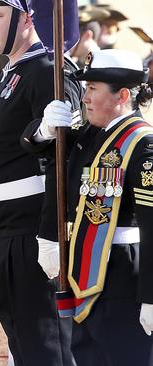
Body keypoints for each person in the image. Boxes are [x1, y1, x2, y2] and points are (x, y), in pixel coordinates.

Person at [0, 1, 81, 365]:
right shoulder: (11, 74)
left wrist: (52, 233)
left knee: (46, 346)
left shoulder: (46, 70)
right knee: (24, 345)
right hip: (4, 230)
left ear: (26, 19)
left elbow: (65, 152)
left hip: (33, 230)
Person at [39, 49, 153, 366]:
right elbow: (46, 159)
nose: (85, 97)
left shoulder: (143, 143)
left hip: (124, 279)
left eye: (93, 89)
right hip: (85, 274)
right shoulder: (90, 134)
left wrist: (151, 297)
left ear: (123, 95)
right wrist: (45, 130)